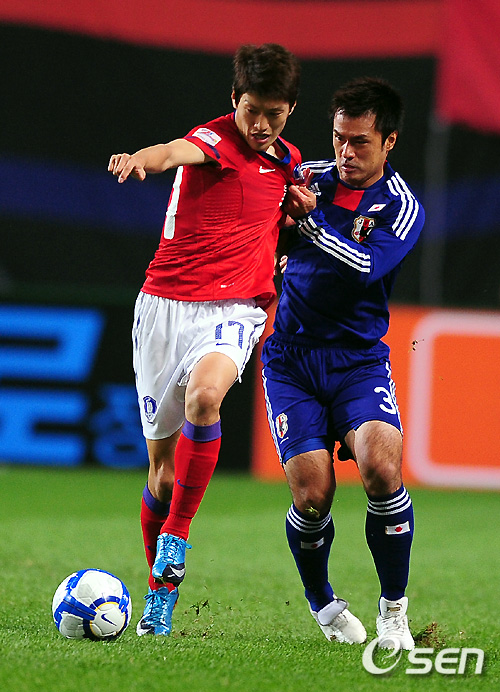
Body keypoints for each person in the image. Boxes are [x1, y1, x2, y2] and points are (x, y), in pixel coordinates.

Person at [108, 43, 302, 636]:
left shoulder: (290, 163)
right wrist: (142, 159)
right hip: (164, 308)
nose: (260, 124)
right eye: (251, 110)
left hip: (235, 307)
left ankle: (177, 534)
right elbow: (174, 150)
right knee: (161, 475)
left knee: (205, 397)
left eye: (273, 113)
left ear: (290, 110)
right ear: (234, 101)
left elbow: (278, 216)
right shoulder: (215, 139)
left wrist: (297, 214)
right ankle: (159, 595)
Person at [261, 77, 425, 649]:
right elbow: (261, 233)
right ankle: (324, 604)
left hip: (358, 362)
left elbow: (363, 268)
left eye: (359, 142)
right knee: (312, 495)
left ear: (389, 141)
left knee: (381, 467)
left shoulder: (400, 206)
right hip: (292, 361)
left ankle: (393, 610)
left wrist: (308, 224)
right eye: (338, 138)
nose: (345, 152)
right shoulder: (306, 179)